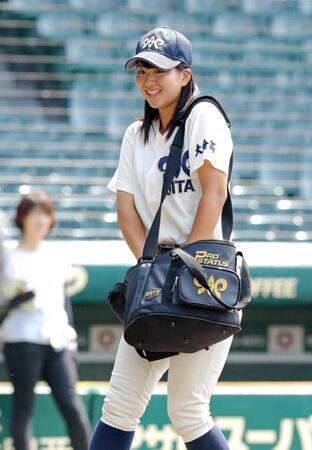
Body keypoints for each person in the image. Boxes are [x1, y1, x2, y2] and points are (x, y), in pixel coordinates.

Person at [90, 27, 234, 450]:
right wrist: (155, 271)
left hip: (207, 275)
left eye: (160, 70)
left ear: (185, 75)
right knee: (119, 404)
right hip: (159, 275)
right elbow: (126, 210)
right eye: (141, 70)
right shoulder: (136, 136)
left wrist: (187, 270)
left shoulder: (204, 115)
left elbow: (214, 191)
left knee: (188, 410)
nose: (149, 80)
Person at [1, 191, 92, 450]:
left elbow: (63, 303)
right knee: (23, 408)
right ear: (22, 218)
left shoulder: (56, 256)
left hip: (57, 343)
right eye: (34, 214)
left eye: (45, 214)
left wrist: (70, 339)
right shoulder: (9, 258)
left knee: (72, 406)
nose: (40, 220)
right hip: (22, 341)